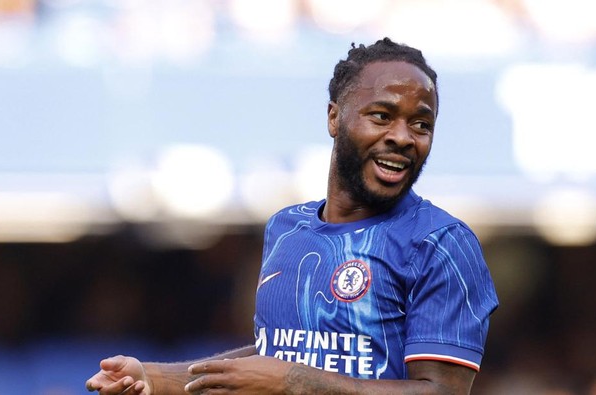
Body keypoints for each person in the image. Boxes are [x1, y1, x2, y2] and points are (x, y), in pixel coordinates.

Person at [86, 37, 499, 395]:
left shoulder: (441, 243)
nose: (402, 137)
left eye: (421, 124)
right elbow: (276, 359)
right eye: (382, 116)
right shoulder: (286, 228)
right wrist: (156, 378)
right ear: (334, 117)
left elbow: (442, 390)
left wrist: (295, 383)